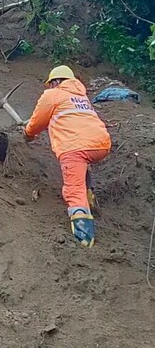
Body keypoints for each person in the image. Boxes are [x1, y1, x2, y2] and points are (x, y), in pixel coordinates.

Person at [24, 66, 112, 247]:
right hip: (101, 145)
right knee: (83, 166)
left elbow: (37, 122)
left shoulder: (52, 96)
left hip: (74, 147)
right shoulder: (81, 97)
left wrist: (28, 134)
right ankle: (89, 198)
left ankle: (84, 237)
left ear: (55, 82)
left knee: (74, 190)